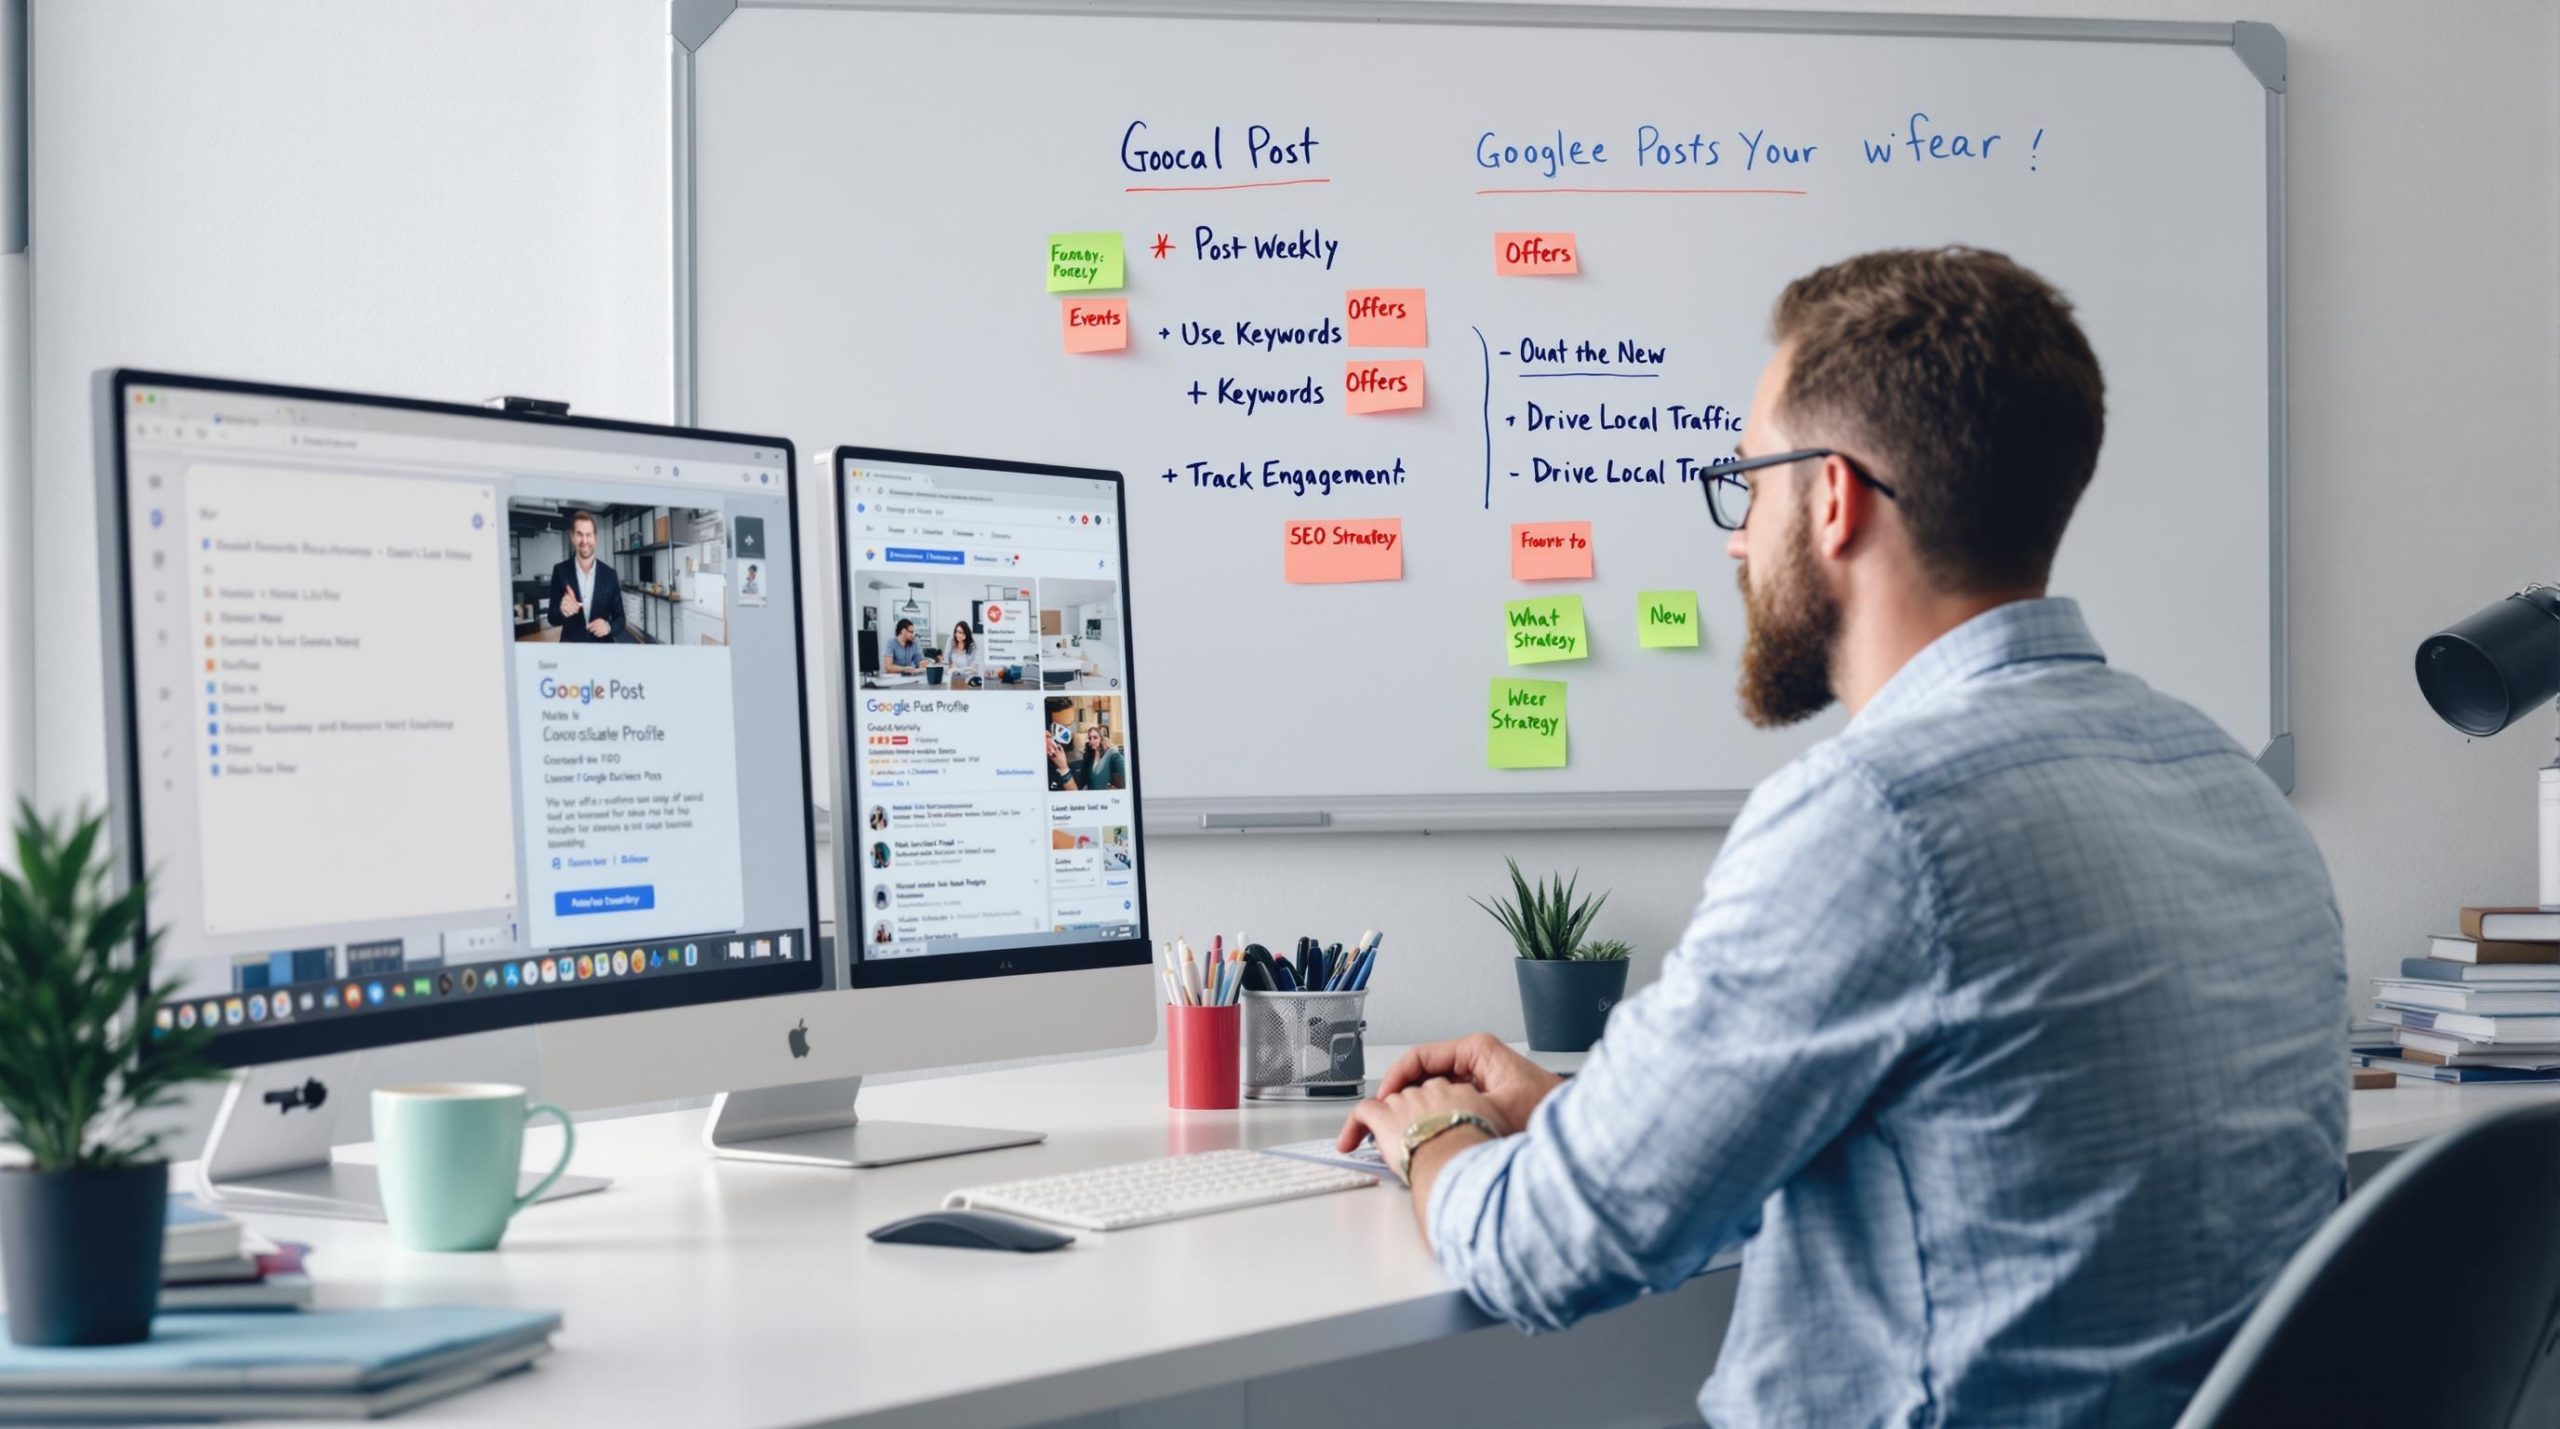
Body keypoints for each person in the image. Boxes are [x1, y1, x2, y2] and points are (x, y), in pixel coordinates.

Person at [1336, 248, 2346, 1429]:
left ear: (1831, 496)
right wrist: (1572, 1119)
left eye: (1745, 486)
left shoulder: (1877, 819)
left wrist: (1438, 1138)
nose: (1730, 540)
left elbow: (1547, 1252)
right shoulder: (2228, 784)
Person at [547, 510, 624, 643]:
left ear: (595, 538)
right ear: (572, 537)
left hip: (602, 649)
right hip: (571, 648)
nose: (584, 540)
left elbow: (620, 618)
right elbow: (551, 618)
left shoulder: (610, 575)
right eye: (579, 534)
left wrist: (608, 626)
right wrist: (561, 610)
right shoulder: (560, 571)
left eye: (588, 535)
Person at [1074, 725, 1127, 791]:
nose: (1092, 740)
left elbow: (1126, 772)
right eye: (1090, 738)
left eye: (1095, 737)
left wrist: (1119, 790)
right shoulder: (1090, 757)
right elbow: (1085, 778)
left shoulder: (1110, 754)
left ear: (1101, 739)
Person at [944, 620, 982, 685]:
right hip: (952, 678)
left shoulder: (972, 646)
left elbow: (974, 668)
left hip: (968, 679)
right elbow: (946, 662)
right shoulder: (951, 641)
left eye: (961, 632)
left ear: (966, 634)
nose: (958, 635)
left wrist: (957, 670)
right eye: (957, 632)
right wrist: (949, 669)